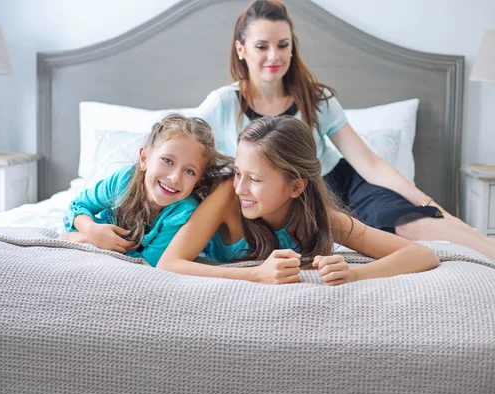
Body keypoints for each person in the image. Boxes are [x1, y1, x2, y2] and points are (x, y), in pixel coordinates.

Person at [195, 0, 495, 258]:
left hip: (340, 184)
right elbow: (181, 154)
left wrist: (430, 203)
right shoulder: (221, 104)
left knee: (413, 223)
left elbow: (370, 164)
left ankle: (483, 246)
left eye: (283, 45)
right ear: (241, 49)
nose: (274, 55)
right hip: (281, 197)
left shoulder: (315, 98)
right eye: (262, 46)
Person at [157, 116, 440, 285]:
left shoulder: (318, 219)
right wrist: (256, 275)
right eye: (239, 173)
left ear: (296, 187)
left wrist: (355, 274)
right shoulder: (227, 195)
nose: (240, 187)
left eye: (255, 179)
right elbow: (169, 263)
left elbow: (422, 254)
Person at [61, 114, 232, 267]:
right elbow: (79, 204)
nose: (174, 178)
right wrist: (92, 230)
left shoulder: (183, 211)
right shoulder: (124, 179)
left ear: (197, 181)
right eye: (167, 160)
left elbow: (148, 263)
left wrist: (90, 240)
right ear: (144, 159)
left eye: (189, 171)